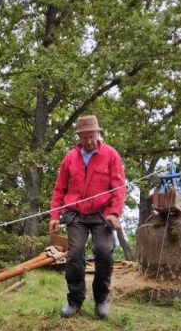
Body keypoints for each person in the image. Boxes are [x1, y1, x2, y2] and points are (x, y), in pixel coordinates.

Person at [49, 115, 126, 319]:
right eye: (85, 137)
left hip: (102, 215)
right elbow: (59, 189)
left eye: (92, 136)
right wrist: (55, 215)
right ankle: (74, 301)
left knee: (104, 253)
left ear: (98, 134)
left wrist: (114, 213)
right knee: (74, 255)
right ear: (79, 138)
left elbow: (119, 189)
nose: (89, 141)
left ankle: (101, 301)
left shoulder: (111, 155)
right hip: (76, 215)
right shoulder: (70, 159)